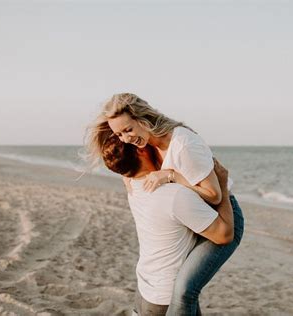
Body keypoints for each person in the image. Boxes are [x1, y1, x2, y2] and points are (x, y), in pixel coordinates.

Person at [86, 93, 244, 315]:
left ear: (143, 118)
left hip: (221, 213)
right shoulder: (145, 142)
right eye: (119, 133)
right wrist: (128, 177)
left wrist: (172, 175)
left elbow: (215, 196)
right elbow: (132, 163)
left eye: (128, 129)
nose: (126, 138)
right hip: (192, 214)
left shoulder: (183, 144)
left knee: (181, 291)